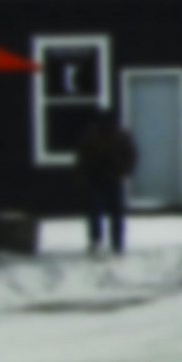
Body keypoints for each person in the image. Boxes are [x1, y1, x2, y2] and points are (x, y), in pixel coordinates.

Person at [75, 109, 138, 254]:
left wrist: (82, 175)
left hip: (100, 177)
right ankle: (116, 242)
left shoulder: (91, 135)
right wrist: (124, 170)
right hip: (107, 177)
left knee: (96, 211)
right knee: (113, 212)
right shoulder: (121, 135)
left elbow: (82, 158)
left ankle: (98, 240)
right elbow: (132, 154)